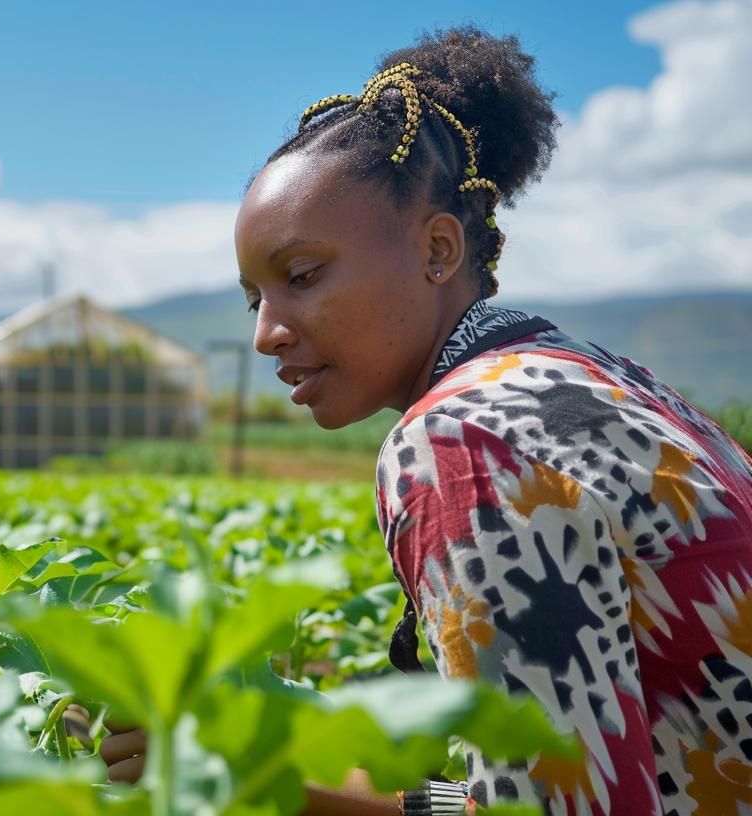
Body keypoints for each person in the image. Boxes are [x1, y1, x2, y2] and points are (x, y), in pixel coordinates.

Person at [101, 25, 752, 816]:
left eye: (301, 276)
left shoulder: (464, 441)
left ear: (440, 249)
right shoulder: (604, 380)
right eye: (254, 298)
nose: (266, 331)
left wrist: (263, 789)